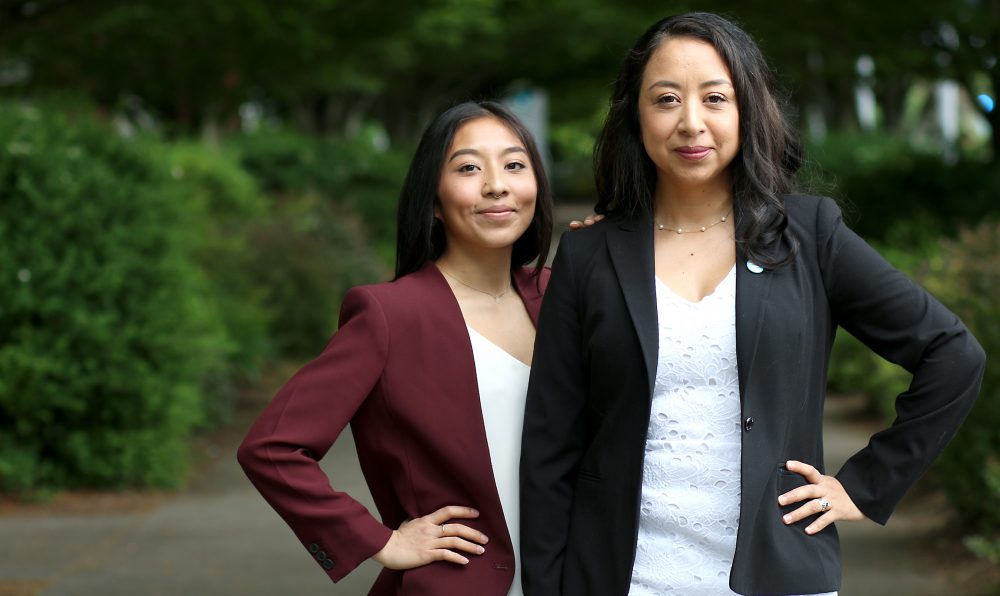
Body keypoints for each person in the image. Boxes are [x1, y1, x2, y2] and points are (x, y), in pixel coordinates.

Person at [519, 12, 985, 596]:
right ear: (635, 116)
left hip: (777, 573)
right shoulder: (590, 254)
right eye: (666, 99)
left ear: (748, 110)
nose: (692, 123)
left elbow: (952, 354)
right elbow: (549, 445)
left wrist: (864, 486)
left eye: (716, 97)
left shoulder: (810, 234)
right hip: (622, 574)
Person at [238, 100, 553, 596]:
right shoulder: (390, 315)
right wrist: (378, 541)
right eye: (469, 168)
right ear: (432, 198)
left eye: (515, 165)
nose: (497, 184)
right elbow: (272, 448)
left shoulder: (564, 298)